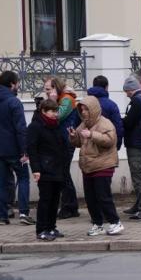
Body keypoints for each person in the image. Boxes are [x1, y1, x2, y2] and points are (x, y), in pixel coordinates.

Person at [69, 95, 123, 236]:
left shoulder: (105, 123)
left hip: (103, 165)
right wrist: (74, 136)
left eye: (86, 109)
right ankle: (97, 224)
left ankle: (115, 222)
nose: (84, 112)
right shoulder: (84, 124)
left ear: (93, 109)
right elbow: (78, 143)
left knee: (103, 196)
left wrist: (92, 135)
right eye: (82, 110)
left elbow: (110, 141)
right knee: (90, 198)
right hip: (88, 166)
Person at [0, 71, 32, 226]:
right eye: (17, 83)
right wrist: (25, 150)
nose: (18, 86)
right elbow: (21, 129)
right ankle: (23, 213)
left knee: (1, 181)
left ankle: (3, 216)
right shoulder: (14, 102)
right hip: (14, 149)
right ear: (11, 84)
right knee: (23, 178)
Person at [27, 98, 69, 240]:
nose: (55, 114)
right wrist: (36, 169)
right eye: (52, 111)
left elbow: (61, 145)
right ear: (44, 111)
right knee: (45, 200)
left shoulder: (55, 125)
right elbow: (32, 149)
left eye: (56, 111)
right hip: (44, 169)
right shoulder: (36, 126)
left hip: (57, 168)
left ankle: (51, 227)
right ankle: (41, 230)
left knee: (55, 200)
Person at [44, 77, 80, 219]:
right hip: (61, 141)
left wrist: (52, 101)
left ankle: (69, 206)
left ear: (56, 88)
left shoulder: (66, 99)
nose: (46, 92)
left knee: (63, 173)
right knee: (63, 173)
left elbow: (56, 116)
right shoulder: (62, 98)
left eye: (48, 89)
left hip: (66, 141)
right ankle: (70, 206)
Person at [121, 75, 141, 219]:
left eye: (126, 91)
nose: (126, 94)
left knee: (139, 176)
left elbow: (129, 122)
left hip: (136, 143)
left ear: (131, 90)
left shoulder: (136, 101)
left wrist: (120, 121)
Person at [86, 76, 124, 150]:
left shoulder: (86, 103)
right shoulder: (111, 105)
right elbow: (118, 126)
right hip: (107, 145)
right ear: (106, 87)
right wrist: (117, 145)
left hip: (89, 144)